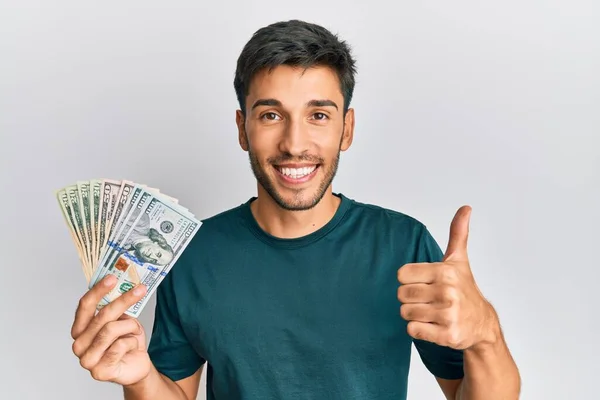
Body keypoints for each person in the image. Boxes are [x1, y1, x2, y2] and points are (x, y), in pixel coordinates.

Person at [70, 19, 521, 400]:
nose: (294, 144)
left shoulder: (402, 244)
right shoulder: (191, 252)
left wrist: (487, 335)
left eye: (318, 115)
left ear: (347, 129)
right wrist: (141, 377)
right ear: (242, 128)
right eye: (270, 115)